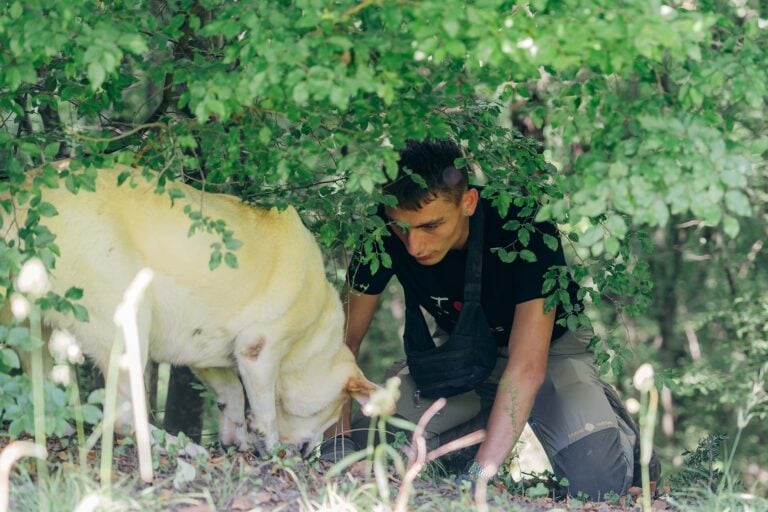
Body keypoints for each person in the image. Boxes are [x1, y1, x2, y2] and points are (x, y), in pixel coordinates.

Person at [321, 139, 658, 499]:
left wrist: (480, 476)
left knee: (597, 484)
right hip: (459, 354)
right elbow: (342, 342)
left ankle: (613, 426)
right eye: (402, 228)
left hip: (551, 352)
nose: (413, 246)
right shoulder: (382, 231)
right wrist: (335, 444)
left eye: (431, 226)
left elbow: (527, 365)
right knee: (364, 449)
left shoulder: (523, 226)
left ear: (467, 202)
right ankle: (466, 440)